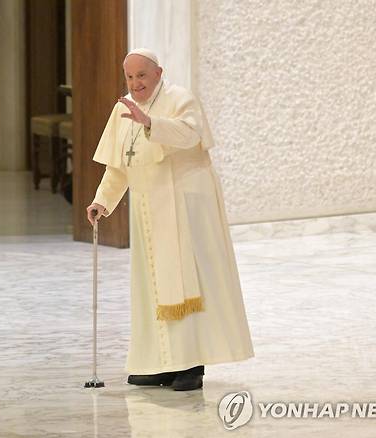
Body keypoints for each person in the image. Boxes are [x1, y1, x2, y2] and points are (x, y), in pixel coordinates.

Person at [86, 48, 254, 391]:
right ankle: (163, 363)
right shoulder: (122, 110)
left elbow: (191, 135)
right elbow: (120, 164)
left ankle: (191, 365)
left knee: (188, 282)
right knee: (153, 288)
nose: (136, 83)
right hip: (148, 210)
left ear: (158, 73)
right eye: (130, 77)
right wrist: (102, 201)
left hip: (184, 207)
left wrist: (151, 123)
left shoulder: (181, 99)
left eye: (142, 76)